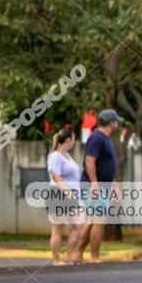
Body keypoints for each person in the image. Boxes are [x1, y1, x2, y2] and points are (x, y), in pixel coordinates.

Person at [77, 109, 122, 262]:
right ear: (112, 123)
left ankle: (78, 254)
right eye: (117, 122)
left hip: (101, 185)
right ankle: (94, 257)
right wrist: (95, 185)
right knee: (99, 219)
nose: (118, 125)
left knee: (91, 220)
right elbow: (89, 161)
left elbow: (105, 166)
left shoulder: (105, 139)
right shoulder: (97, 138)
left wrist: (114, 185)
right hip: (94, 186)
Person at [46, 128, 85, 265]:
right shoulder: (56, 155)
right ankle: (56, 260)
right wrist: (67, 192)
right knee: (58, 229)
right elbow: (56, 176)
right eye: (74, 138)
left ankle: (69, 257)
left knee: (79, 226)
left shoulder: (67, 155)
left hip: (72, 197)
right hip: (59, 194)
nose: (74, 141)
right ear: (69, 140)